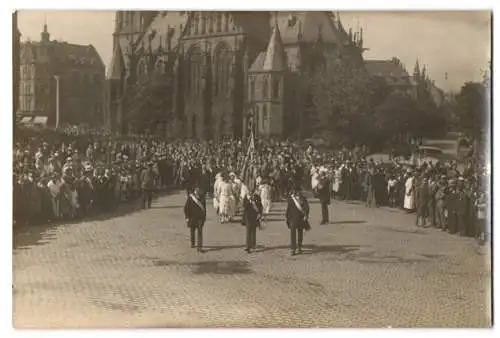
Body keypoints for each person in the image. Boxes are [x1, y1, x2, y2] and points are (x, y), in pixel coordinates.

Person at [286, 185, 311, 256]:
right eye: (295, 191)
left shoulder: (303, 198)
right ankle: (293, 248)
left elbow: (307, 207)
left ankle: (299, 247)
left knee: (300, 233)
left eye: (298, 191)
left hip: (301, 218)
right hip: (293, 218)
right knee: (292, 234)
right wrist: (287, 218)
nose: (297, 192)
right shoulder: (291, 199)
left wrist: (306, 215)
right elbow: (288, 209)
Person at [184, 188, 206, 252]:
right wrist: (187, 217)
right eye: (197, 192)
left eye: (199, 192)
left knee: (200, 233)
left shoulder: (202, 199)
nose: (198, 194)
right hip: (192, 218)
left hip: (199, 218)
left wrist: (204, 218)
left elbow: (204, 209)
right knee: (192, 231)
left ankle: (199, 247)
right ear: (194, 192)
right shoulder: (190, 198)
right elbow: (186, 208)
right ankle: (192, 243)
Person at [242, 186, 263, 253]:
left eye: (251, 191)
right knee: (248, 231)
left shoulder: (257, 197)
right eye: (249, 191)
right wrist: (249, 201)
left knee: (253, 231)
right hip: (248, 216)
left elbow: (260, 206)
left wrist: (260, 214)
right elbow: (244, 205)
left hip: (254, 216)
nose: (250, 192)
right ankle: (248, 246)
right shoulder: (246, 197)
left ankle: (253, 245)